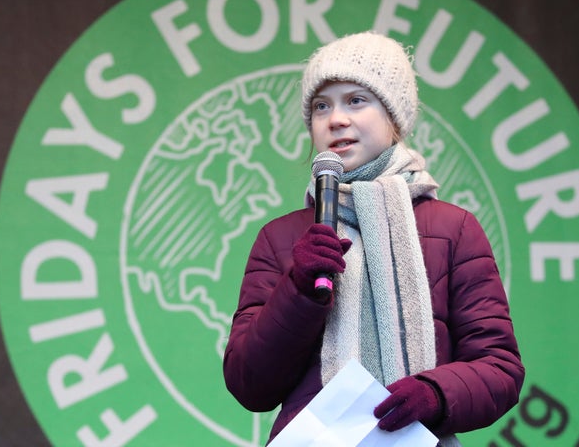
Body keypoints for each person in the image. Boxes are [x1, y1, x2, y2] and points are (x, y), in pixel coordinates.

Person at [223, 31, 524, 446]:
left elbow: (499, 369)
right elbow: (249, 384)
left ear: (394, 118)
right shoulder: (281, 238)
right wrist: (298, 292)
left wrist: (434, 394)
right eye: (321, 106)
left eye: (356, 100)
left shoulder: (455, 229)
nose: (336, 119)